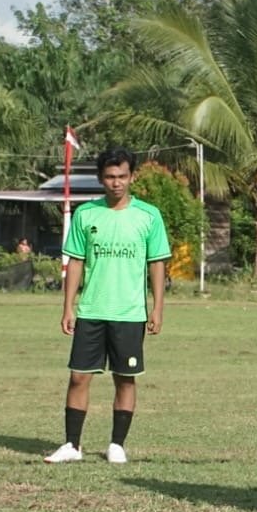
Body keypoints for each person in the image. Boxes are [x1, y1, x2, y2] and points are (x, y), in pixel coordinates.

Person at [43, 147, 170, 465]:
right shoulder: (86, 214)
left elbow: (157, 263)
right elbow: (75, 262)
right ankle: (72, 445)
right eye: (110, 177)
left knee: (125, 378)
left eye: (122, 176)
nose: (117, 183)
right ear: (101, 178)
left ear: (132, 177)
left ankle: (117, 445)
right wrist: (68, 306)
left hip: (130, 313)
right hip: (91, 311)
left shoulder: (149, 215)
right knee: (78, 377)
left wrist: (157, 308)